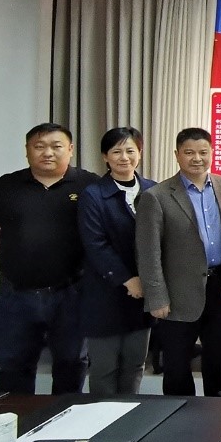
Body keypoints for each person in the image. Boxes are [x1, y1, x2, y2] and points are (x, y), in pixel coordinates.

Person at [0, 123, 96, 394]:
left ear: (71, 150)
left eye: (56, 146)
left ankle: (65, 416)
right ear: (27, 150)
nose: (47, 153)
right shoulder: (3, 187)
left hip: (72, 291)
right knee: (13, 366)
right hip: (16, 293)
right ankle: (18, 418)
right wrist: (17, 254)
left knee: (71, 363)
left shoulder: (90, 185)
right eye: (39, 146)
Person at [136, 127, 221, 398]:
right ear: (177, 155)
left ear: (212, 153)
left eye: (203, 152)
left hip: (220, 287)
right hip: (177, 292)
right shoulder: (156, 196)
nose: (197, 158)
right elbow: (148, 252)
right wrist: (156, 297)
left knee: (219, 358)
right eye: (189, 152)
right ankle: (180, 411)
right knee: (177, 364)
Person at [77, 126, 156, 395]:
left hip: (144, 292)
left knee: (135, 362)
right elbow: (95, 244)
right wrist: (127, 279)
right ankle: (102, 414)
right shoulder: (93, 194)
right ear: (105, 157)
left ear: (140, 153)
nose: (124, 157)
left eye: (130, 151)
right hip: (105, 292)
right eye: (116, 151)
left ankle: (128, 410)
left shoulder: (153, 190)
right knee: (105, 366)